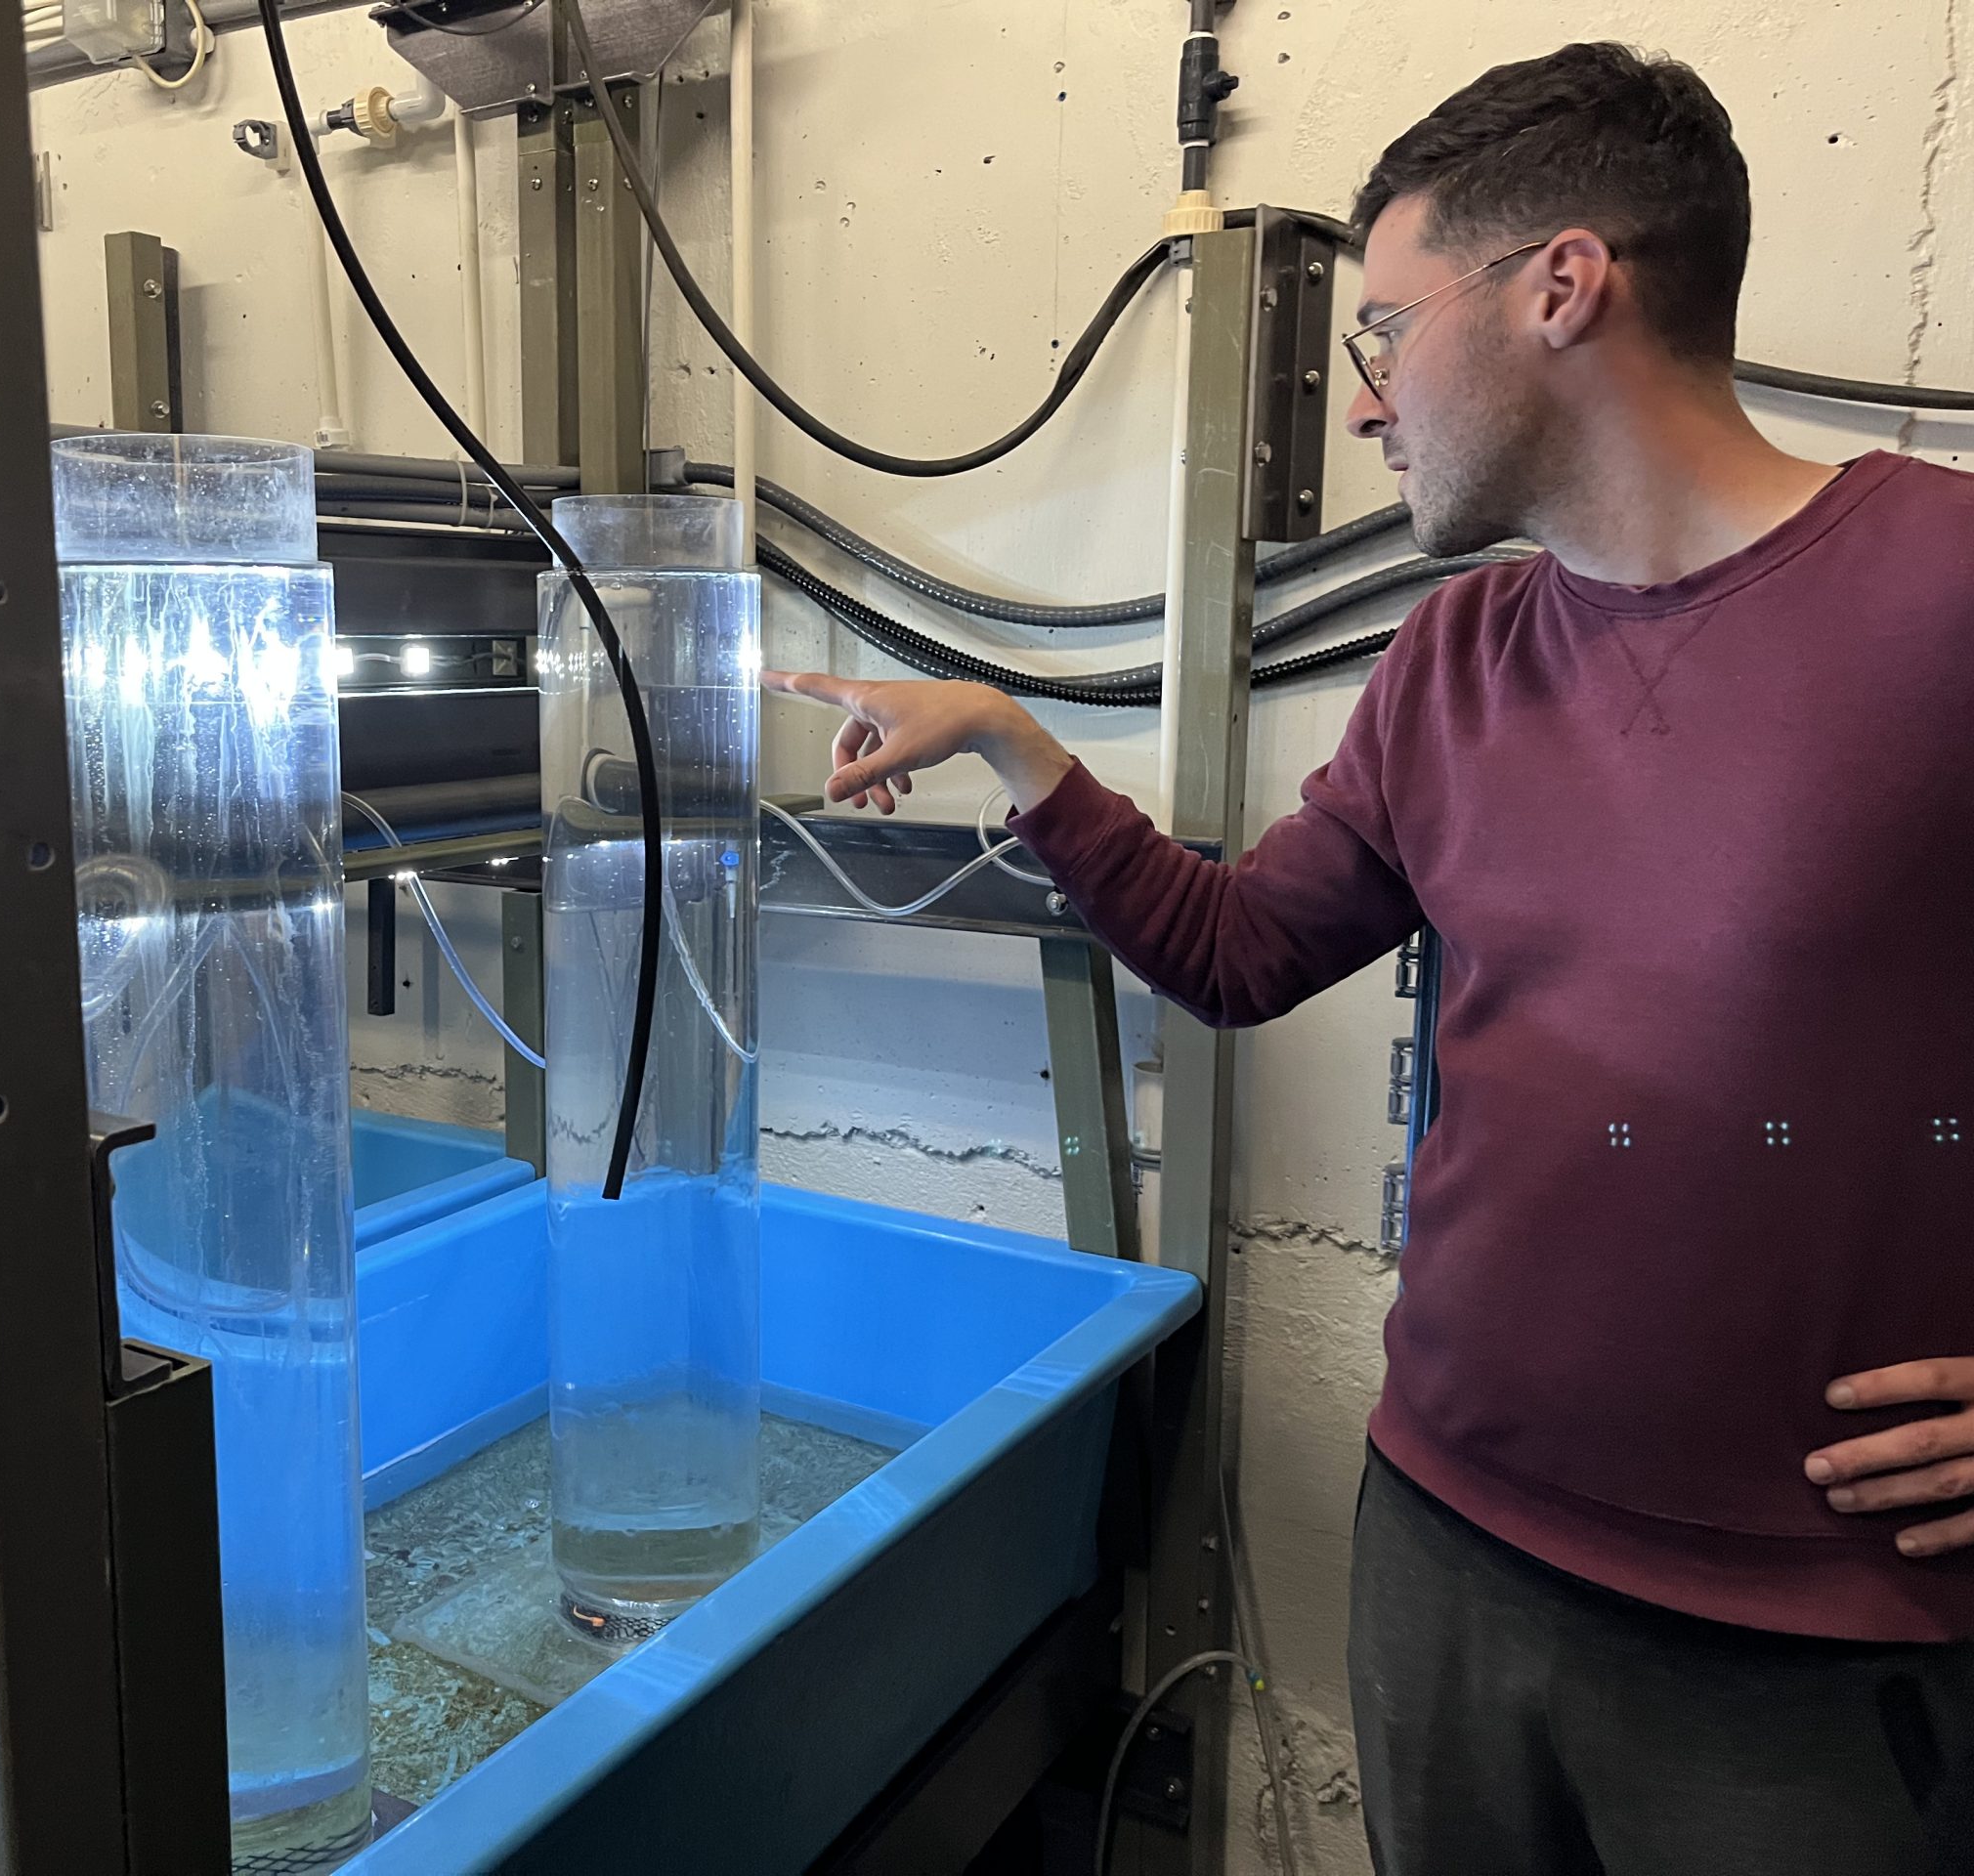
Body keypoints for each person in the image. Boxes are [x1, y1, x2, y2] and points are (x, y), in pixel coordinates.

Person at [764, 41, 1974, 1876]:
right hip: (1450, 1552)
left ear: (1563, 287)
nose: (1361, 407)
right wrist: (1020, 745)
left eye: (1385, 332)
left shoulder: (1940, 598)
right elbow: (1241, 952)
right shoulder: (1460, 657)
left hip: (1816, 1648)